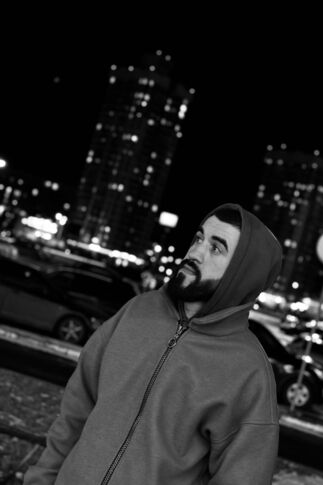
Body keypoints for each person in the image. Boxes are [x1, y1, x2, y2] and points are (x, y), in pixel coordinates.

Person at [24, 203, 282, 485]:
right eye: (198, 239)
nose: (195, 252)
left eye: (215, 248)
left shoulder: (248, 372)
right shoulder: (137, 311)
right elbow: (75, 411)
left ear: (242, 275)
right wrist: (41, 479)